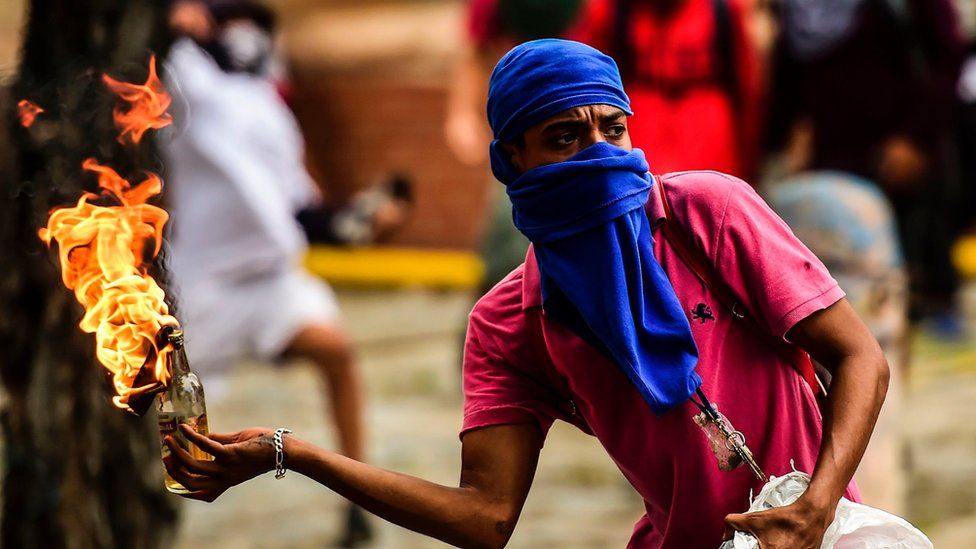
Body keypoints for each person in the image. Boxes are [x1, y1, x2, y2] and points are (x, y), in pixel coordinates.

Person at [164, 40, 888, 548]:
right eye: (567, 137)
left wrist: (817, 505)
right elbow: (485, 517)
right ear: (514, 159)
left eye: (614, 128)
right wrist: (297, 454)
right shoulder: (508, 322)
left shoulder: (707, 211)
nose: (601, 153)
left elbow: (861, 357)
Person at [163, 1, 372, 545]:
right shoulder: (182, 78)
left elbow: (298, 210)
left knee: (339, 354)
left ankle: (359, 503)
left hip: (273, 280)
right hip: (199, 284)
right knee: (152, 409)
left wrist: (356, 222)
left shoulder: (268, 106)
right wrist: (172, 18)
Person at [765, 0, 964, 325]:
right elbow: (786, 81)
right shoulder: (797, 8)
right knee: (845, 301)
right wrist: (772, 155)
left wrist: (916, 137)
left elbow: (948, 57)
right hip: (831, 166)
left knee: (899, 301)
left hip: (899, 166)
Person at [575, 0, 763, 179]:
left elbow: (746, 88)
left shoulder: (724, 9)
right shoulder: (612, 10)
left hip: (710, 153)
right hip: (640, 149)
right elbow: (580, 77)